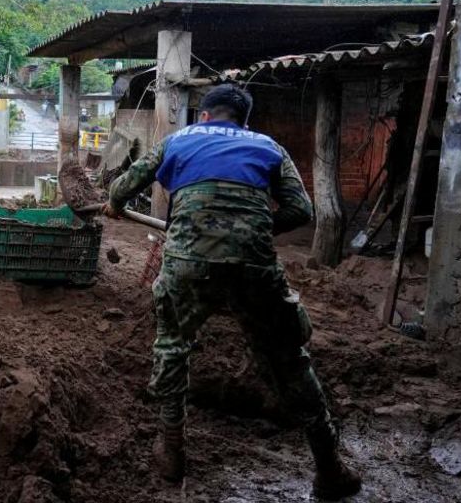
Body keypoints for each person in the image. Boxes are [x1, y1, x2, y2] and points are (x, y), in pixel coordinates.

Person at [103, 84, 361, 500]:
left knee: (173, 346)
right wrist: (254, 230)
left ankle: (171, 452)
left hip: (188, 262)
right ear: (244, 121)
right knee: (290, 358)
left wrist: (115, 205)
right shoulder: (268, 146)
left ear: (204, 116)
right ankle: (329, 466)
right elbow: (302, 210)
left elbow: (121, 188)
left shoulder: (179, 139)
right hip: (255, 266)